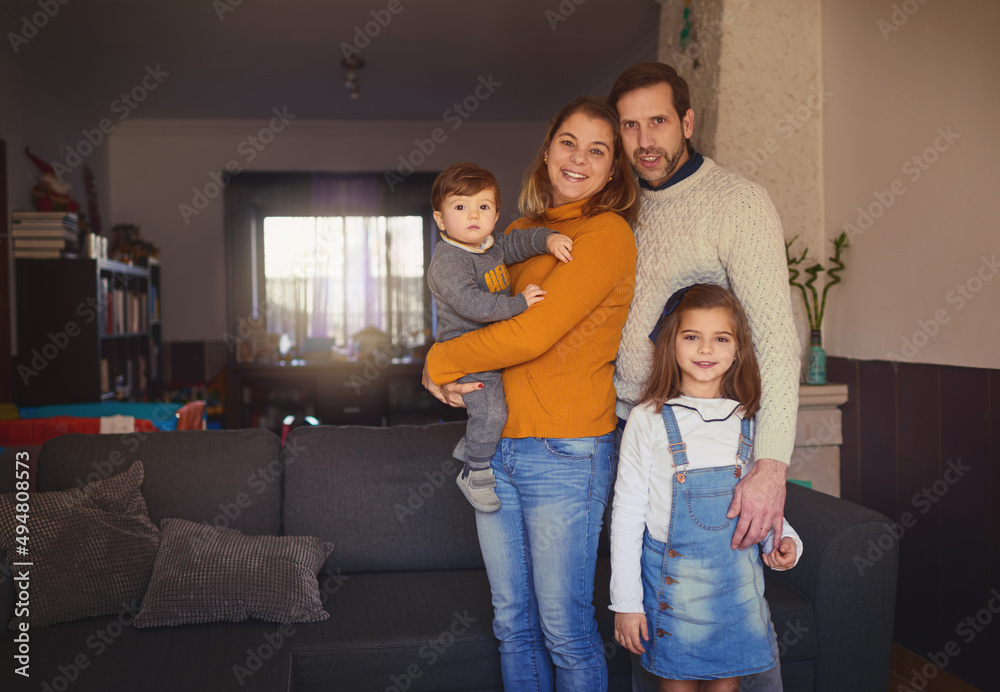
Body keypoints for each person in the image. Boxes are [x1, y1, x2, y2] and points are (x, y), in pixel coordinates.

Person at [422, 95, 639, 691]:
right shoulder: (515, 233)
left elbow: (531, 333)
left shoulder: (606, 233)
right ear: (547, 151)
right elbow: (474, 317)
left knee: (564, 628)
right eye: (569, 142)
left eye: (599, 150)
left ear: (614, 168)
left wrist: (437, 361)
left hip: (566, 453)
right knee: (512, 625)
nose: (579, 158)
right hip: (498, 451)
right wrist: (442, 362)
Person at [608, 62, 801, 692]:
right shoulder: (622, 206)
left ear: (687, 122)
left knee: (728, 622)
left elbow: (774, 340)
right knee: (651, 623)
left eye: (658, 122)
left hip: (715, 436)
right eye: (629, 126)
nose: (644, 142)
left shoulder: (737, 201)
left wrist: (770, 466)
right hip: (627, 429)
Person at [610, 284, 802, 692]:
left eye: (721, 338)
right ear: (671, 344)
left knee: (726, 685)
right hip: (672, 585)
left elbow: (760, 506)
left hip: (737, 587)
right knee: (675, 684)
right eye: (692, 336)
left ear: (738, 350)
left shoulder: (750, 420)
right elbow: (626, 516)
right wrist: (626, 604)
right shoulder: (648, 419)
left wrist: (783, 542)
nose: (706, 349)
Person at [427, 162, 574, 512]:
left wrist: (548, 239)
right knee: (492, 412)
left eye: (483, 206)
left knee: (496, 408)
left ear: (495, 215)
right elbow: (472, 304)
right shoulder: (449, 261)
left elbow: (518, 242)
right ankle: (475, 472)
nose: (473, 215)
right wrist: (519, 304)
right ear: (441, 219)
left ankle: (472, 443)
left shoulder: (489, 245)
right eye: (460, 207)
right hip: (467, 349)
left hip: (490, 345)